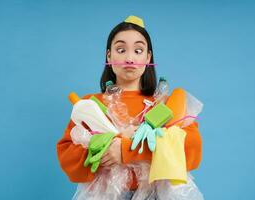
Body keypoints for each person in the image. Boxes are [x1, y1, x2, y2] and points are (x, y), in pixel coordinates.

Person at [57, 15, 203, 199]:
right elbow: (67, 157)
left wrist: (126, 150)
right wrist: (104, 149)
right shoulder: (91, 104)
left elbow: (191, 151)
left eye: (138, 50)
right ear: (108, 56)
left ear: (148, 57)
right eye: (120, 49)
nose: (129, 58)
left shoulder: (166, 104)